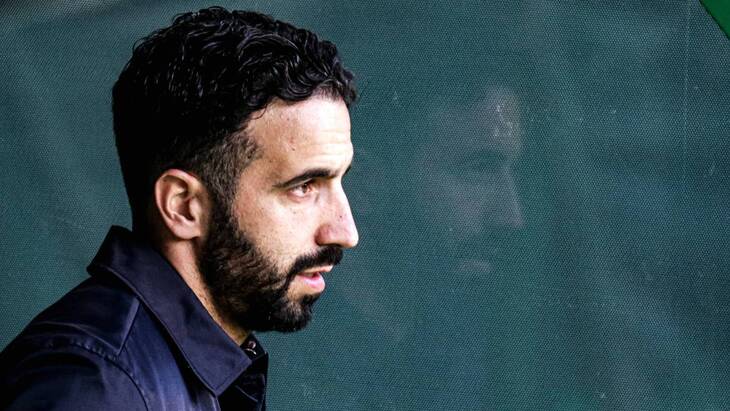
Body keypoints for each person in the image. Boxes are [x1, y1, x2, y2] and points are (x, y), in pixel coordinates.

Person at [0, 7, 359, 410]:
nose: (346, 232)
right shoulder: (97, 390)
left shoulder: (161, 376)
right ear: (184, 206)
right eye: (304, 187)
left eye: (339, 180)